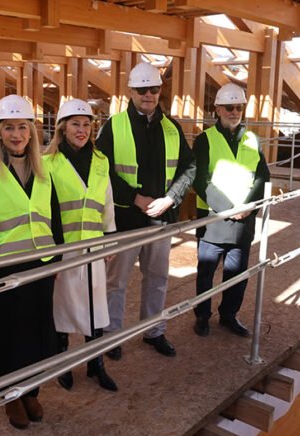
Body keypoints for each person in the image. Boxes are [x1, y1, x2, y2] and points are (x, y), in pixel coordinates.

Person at [0, 94, 62, 430]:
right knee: (9, 337)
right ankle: (10, 396)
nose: (17, 134)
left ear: (32, 132)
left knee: (38, 334)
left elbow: (54, 217)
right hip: (5, 268)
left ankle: (31, 390)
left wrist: (57, 260)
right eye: (9, 128)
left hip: (41, 264)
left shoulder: (42, 169)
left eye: (22, 127)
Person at [95, 61, 195, 360]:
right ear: (131, 91)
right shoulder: (114, 126)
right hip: (126, 220)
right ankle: (112, 335)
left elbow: (189, 168)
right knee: (117, 282)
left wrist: (171, 199)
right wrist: (134, 198)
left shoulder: (172, 128)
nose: (148, 95)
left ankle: (154, 331)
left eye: (153, 89)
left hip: (161, 219)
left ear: (160, 90)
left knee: (157, 277)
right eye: (142, 90)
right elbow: (102, 171)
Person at [44, 99, 118, 392]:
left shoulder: (100, 161)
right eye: (75, 123)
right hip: (64, 249)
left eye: (87, 124)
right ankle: (63, 362)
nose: (82, 130)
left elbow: (107, 203)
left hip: (94, 247)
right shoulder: (48, 163)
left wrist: (110, 238)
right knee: (63, 308)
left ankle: (95, 363)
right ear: (62, 127)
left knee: (95, 306)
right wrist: (50, 254)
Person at [192, 83, 270, 337]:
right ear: (217, 109)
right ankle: (202, 316)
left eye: (239, 107)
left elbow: (262, 177)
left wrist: (248, 207)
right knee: (206, 273)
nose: (235, 112)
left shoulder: (252, 139)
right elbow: (199, 180)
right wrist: (228, 209)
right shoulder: (205, 140)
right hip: (214, 220)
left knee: (237, 275)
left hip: (242, 221)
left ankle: (229, 315)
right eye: (229, 107)